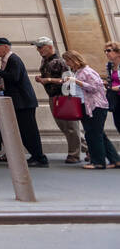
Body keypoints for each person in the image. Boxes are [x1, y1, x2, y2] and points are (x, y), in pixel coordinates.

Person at [0, 37, 48, 167]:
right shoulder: (8, 60)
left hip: (23, 102)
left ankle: (40, 157)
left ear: (6, 47)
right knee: (24, 131)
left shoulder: (13, 59)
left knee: (29, 131)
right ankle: (36, 156)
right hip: (19, 102)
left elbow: (14, 78)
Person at [56, 50, 118, 170]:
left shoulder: (87, 71)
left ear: (74, 60)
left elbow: (96, 87)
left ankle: (98, 162)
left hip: (95, 106)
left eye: (68, 60)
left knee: (93, 135)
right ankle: (115, 159)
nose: (67, 63)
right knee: (99, 134)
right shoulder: (78, 72)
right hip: (86, 106)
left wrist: (76, 82)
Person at [33, 36, 84, 164]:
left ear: (49, 47)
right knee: (64, 127)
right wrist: (43, 79)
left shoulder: (60, 62)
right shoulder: (45, 61)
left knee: (71, 127)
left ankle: (74, 154)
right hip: (53, 96)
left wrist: (48, 80)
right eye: (37, 47)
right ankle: (89, 149)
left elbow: (69, 79)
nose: (38, 50)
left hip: (64, 96)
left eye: (41, 47)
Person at [106, 41, 120, 135]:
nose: (106, 53)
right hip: (115, 99)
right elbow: (110, 80)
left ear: (118, 52)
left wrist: (115, 88)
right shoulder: (109, 65)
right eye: (105, 51)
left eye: (109, 50)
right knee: (118, 123)